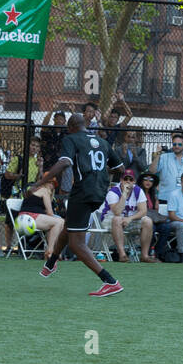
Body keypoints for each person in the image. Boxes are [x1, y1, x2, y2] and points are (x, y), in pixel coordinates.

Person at [36, 112, 124, 296]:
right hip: (100, 191)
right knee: (69, 228)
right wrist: (98, 173)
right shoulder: (103, 141)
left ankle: (110, 281)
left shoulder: (71, 139)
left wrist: (38, 184)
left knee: (76, 245)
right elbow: (120, 169)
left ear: (70, 127)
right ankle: (51, 263)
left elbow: (64, 163)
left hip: (83, 191)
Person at [100, 169, 153, 263]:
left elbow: (143, 211)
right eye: (125, 179)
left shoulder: (138, 190)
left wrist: (130, 218)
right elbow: (117, 212)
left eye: (131, 179)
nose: (128, 181)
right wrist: (124, 193)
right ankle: (122, 255)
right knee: (117, 219)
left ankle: (144, 255)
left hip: (129, 220)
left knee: (147, 221)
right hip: (110, 220)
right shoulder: (113, 191)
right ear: (121, 180)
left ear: (134, 181)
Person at [16, 176, 64, 260]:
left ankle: (52, 251)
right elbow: (50, 213)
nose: (51, 186)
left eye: (53, 184)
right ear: (44, 183)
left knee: (56, 224)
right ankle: (51, 251)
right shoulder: (44, 191)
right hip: (28, 218)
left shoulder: (34, 191)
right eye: (49, 183)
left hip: (23, 218)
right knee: (59, 222)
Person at [150, 130, 183, 203]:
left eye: (179, 144)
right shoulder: (163, 157)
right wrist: (158, 154)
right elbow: (152, 171)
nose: (177, 146)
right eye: (174, 144)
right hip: (165, 198)